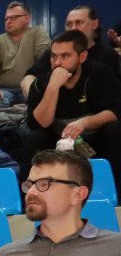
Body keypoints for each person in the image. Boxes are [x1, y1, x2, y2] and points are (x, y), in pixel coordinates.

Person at [19, 30, 121, 196]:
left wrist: (85, 122)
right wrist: (53, 87)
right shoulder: (41, 83)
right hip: (58, 142)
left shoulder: (101, 74)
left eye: (65, 56)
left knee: (115, 130)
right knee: (33, 138)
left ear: (82, 57)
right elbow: (39, 123)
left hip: (94, 138)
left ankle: (116, 196)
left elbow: (116, 111)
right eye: (53, 56)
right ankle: (30, 200)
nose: (57, 62)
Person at [21, 6, 121, 95]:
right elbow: (29, 77)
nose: (73, 28)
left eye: (79, 22)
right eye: (69, 24)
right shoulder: (53, 53)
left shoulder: (108, 55)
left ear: (94, 25)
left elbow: (112, 94)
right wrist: (35, 98)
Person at [0, 1, 51, 107]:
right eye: (6, 19)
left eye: (13, 18)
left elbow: (44, 58)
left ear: (27, 19)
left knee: (40, 100)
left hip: (31, 85)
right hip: (5, 90)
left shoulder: (37, 32)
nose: (8, 21)